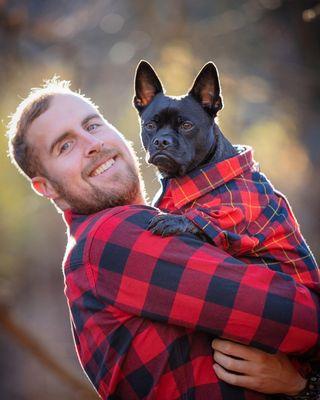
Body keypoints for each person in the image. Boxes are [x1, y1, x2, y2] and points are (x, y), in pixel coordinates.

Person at [7, 78, 320, 399]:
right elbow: (306, 322)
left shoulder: (179, 213)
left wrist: (301, 386)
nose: (92, 143)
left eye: (93, 125)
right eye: (65, 146)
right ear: (45, 187)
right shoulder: (113, 235)